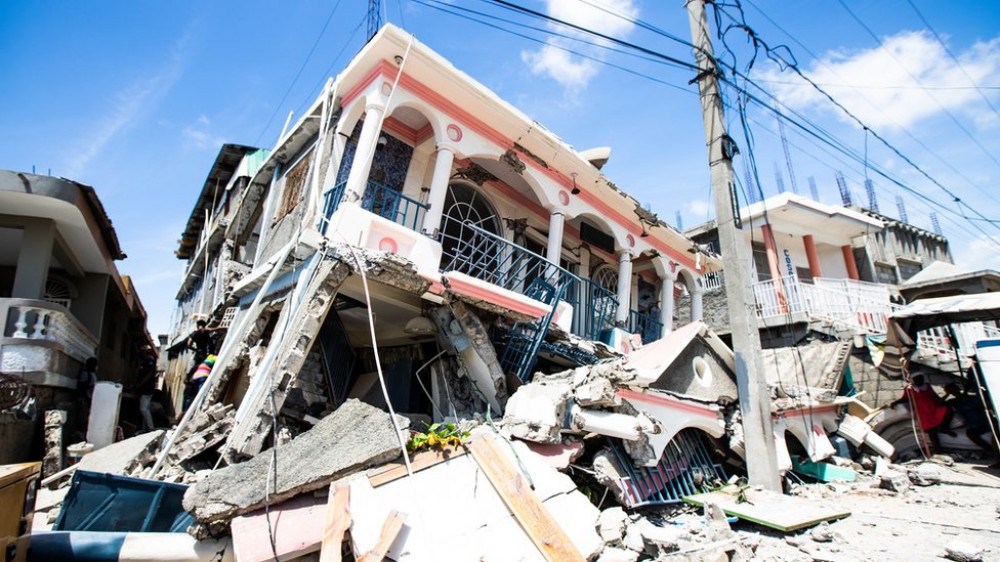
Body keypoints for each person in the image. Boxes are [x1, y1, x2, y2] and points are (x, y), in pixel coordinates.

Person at [895, 374, 953, 449]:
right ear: (914, 380)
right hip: (923, 414)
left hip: (933, 409)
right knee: (932, 432)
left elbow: (935, 398)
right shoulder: (910, 389)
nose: (921, 380)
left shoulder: (927, 387)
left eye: (922, 378)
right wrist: (896, 403)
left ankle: (945, 428)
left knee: (947, 410)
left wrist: (947, 394)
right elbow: (905, 399)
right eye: (918, 379)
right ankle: (938, 449)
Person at [944, 382, 997, 455]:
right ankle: (993, 452)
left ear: (958, 389)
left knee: (995, 434)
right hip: (974, 424)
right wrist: (947, 394)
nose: (954, 391)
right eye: (951, 391)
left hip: (985, 421)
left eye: (954, 389)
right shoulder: (952, 402)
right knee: (970, 433)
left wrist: (965, 391)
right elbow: (939, 405)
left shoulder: (972, 398)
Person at [135, 345, 159, 432]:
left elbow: (149, 374)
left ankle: (150, 428)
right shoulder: (146, 360)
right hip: (146, 388)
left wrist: (141, 384)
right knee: (146, 409)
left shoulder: (149, 360)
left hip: (147, 388)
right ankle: (145, 428)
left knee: (143, 409)